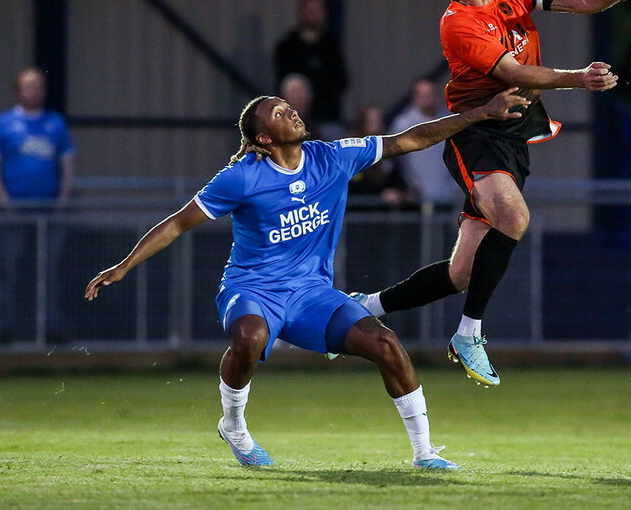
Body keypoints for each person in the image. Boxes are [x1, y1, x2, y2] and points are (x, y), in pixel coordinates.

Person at [83, 86, 530, 470]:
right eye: (279, 112)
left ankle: (424, 452)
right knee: (251, 336)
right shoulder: (242, 176)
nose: (291, 112)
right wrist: (123, 265)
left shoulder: (332, 157)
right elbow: (179, 222)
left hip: (312, 293)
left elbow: (407, 140)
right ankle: (234, 427)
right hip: (252, 288)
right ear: (263, 137)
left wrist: (480, 113)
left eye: (288, 106)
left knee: (387, 345)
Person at [351, 0, 631, 387]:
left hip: (514, 136)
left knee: (460, 273)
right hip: (476, 132)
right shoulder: (458, 22)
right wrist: (579, 78)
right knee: (513, 216)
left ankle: (362, 307)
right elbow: (511, 71)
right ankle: (468, 335)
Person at [0, 66, 75, 344]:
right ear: (18, 90)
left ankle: (51, 331)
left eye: (38, 85)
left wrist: (63, 199)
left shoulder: (55, 124)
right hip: (14, 212)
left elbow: (67, 162)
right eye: (28, 85)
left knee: (50, 274)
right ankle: (4, 331)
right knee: (7, 272)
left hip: (48, 211)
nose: (34, 90)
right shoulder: (4, 123)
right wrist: (3, 200)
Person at [273, 0, 348, 132]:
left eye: (316, 10)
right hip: (294, 121)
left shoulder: (331, 46)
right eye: (309, 10)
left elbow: (342, 80)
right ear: (300, 12)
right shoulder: (287, 47)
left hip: (328, 118)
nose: (312, 14)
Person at [389, 77, 459, 205]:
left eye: (431, 93)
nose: (428, 98)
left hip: (451, 194)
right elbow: (395, 161)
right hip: (415, 197)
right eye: (423, 94)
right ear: (415, 97)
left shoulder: (451, 121)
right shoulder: (403, 124)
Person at [347, 105, 408, 208]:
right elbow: (353, 186)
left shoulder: (388, 150)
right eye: (373, 121)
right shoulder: (352, 151)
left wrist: (397, 192)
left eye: (380, 120)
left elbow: (398, 181)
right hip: (357, 213)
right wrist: (379, 196)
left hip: (383, 216)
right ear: (362, 123)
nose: (378, 124)